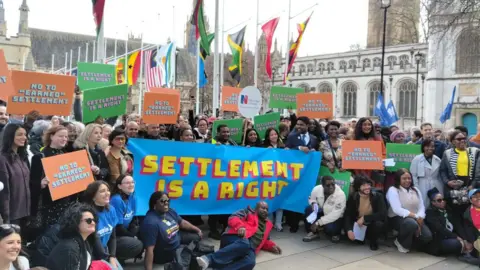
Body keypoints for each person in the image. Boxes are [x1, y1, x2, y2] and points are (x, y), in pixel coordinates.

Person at [196, 201, 282, 270]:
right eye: (263, 208)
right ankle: (208, 259)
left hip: (249, 247)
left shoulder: (268, 225)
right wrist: (240, 226)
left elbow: (264, 240)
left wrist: (271, 246)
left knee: (250, 262)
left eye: (267, 209)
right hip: (235, 237)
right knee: (244, 243)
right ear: (256, 208)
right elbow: (232, 218)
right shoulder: (247, 212)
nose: (265, 211)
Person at [83, 181, 142, 267]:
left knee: (137, 244)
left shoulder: (111, 209)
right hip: (91, 254)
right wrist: (108, 261)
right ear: (93, 196)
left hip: (105, 250)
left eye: (108, 190)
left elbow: (113, 237)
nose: (107, 193)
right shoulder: (88, 215)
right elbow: (96, 243)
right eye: (102, 191)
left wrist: (112, 256)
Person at [140, 191, 202, 269]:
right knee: (191, 254)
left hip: (176, 237)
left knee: (197, 237)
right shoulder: (151, 223)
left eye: (168, 200)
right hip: (167, 252)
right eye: (162, 201)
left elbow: (182, 223)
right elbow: (149, 250)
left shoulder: (169, 211)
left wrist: (197, 230)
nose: (166, 203)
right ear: (154, 204)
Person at [424, 188, 478, 264]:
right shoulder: (430, 213)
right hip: (440, 239)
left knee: (469, 236)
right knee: (457, 244)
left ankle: (469, 253)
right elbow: (441, 229)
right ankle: (464, 253)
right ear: (433, 203)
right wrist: (458, 238)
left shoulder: (448, 209)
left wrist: (465, 240)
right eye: (439, 200)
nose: (442, 202)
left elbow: (457, 224)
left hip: (452, 235)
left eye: (443, 200)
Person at [386, 168, 432, 253]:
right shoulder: (393, 190)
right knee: (411, 224)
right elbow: (397, 209)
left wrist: (420, 217)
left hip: (416, 218)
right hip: (397, 218)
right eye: (404, 178)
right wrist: (416, 217)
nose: (407, 181)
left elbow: (421, 206)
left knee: (427, 237)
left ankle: (410, 240)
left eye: (409, 178)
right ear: (398, 179)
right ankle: (400, 241)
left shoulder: (415, 189)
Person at [440, 130, 480, 223]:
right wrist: (448, 182)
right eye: (459, 139)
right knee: (455, 214)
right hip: (454, 186)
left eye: (464, 138)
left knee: (470, 213)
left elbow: (478, 172)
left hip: (469, 184)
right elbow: (442, 170)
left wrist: (472, 185)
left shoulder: (475, 152)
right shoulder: (447, 153)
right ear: (453, 141)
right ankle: (458, 236)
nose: (462, 140)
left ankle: (471, 235)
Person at [45, 203, 98, 270]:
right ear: (75, 222)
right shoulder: (69, 248)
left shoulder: (85, 242)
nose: (93, 223)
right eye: (89, 221)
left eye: (94, 220)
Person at [344, 175, 387, 250]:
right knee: (354, 240)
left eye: (368, 185)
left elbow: (382, 213)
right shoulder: (353, 197)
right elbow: (347, 215)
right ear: (358, 188)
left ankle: (373, 241)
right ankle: (361, 237)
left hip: (372, 222)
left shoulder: (378, 195)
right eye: (363, 185)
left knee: (378, 224)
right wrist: (349, 230)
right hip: (358, 223)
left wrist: (365, 218)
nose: (367, 187)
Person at [0, 124, 30, 228]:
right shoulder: (2, 159)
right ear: (10, 136)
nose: (24, 137)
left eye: (25, 134)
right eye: (19, 135)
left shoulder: (21, 157)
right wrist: (6, 217)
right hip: (12, 216)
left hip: (25, 212)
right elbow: (4, 192)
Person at [302, 176, 346, 242]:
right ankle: (313, 232)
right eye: (328, 185)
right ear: (322, 185)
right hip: (322, 212)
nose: (331, 187)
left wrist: (318, 222)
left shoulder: (340, 194)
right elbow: (311, 198)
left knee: (330, 229)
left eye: (333, 184)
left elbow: (335, 214)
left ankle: (336, 233)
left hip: (336, 217)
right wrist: (313, 203)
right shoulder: (316, 189)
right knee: (309, 209)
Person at [410, 138, 444, 208]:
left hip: (436, 184)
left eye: (432, 146)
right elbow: (414, 175)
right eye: (427, 146)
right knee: (424, 204)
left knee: (436, 204)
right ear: (423, 147)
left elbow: (440, 175)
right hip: (422, 184)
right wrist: (416, 187)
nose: (430, 148)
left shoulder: (437, 159)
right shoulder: (417, 159)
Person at [110, 175, 141, 241]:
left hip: (126, 230)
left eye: (132, 182)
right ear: (119, 186)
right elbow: (118, 228)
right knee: (138, 244)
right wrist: (133, 236)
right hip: (116, 234)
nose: (131, 185)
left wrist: (134, 233)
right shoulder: (116, 200)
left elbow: (133, 219)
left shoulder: (133, 197)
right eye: (127, 183)